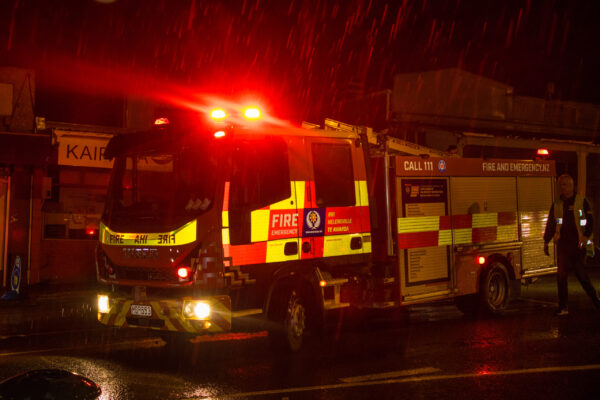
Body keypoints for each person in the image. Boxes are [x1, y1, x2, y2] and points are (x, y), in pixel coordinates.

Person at [543, 174, 600, 315]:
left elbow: (590, 220)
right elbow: (551, 223)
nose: (561, 188)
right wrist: (546, 240)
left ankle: (596, 302)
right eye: (560, 185)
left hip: (577, 244)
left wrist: (586, 236)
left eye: (564, 185)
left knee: (581, 276)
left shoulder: (581, 202)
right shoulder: (557, 204)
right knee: (561, 276)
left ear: (571, 186)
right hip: (563, 245)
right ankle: (563, 307)